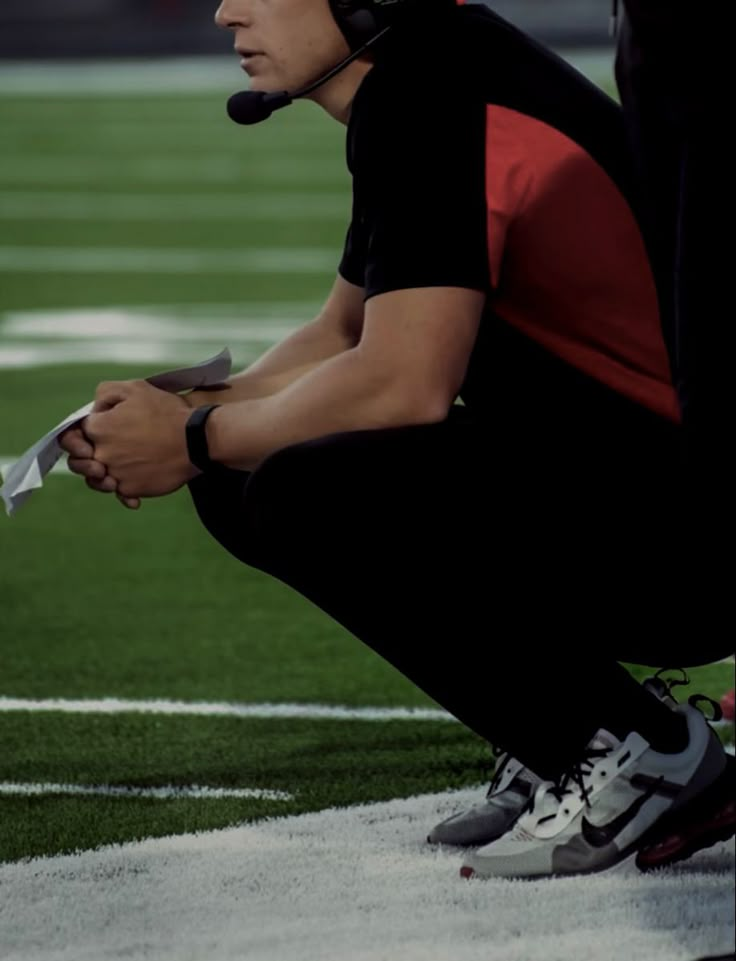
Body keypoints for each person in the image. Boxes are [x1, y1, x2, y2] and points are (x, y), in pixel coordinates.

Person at [58, 0, 733, 880]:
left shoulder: (429, 94)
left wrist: (191, 434)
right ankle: (562, 730)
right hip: (643, 490)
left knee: (300, 487)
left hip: (684, 530)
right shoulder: (428, 73)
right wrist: (173, 415)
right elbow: (344, 335)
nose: (226, 10)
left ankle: (635, 745)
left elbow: (403, 384)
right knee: (241, 466)